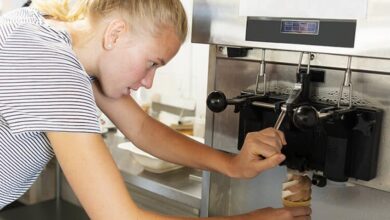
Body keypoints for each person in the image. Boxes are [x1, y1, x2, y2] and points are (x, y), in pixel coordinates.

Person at [0, 0, 311, 219]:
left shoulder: (50, 37)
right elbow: (117, 217)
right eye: (152, 63)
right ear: (115, 33)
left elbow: (141, 128)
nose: (148, 82)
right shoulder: (50, 64)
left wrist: (232, 164)